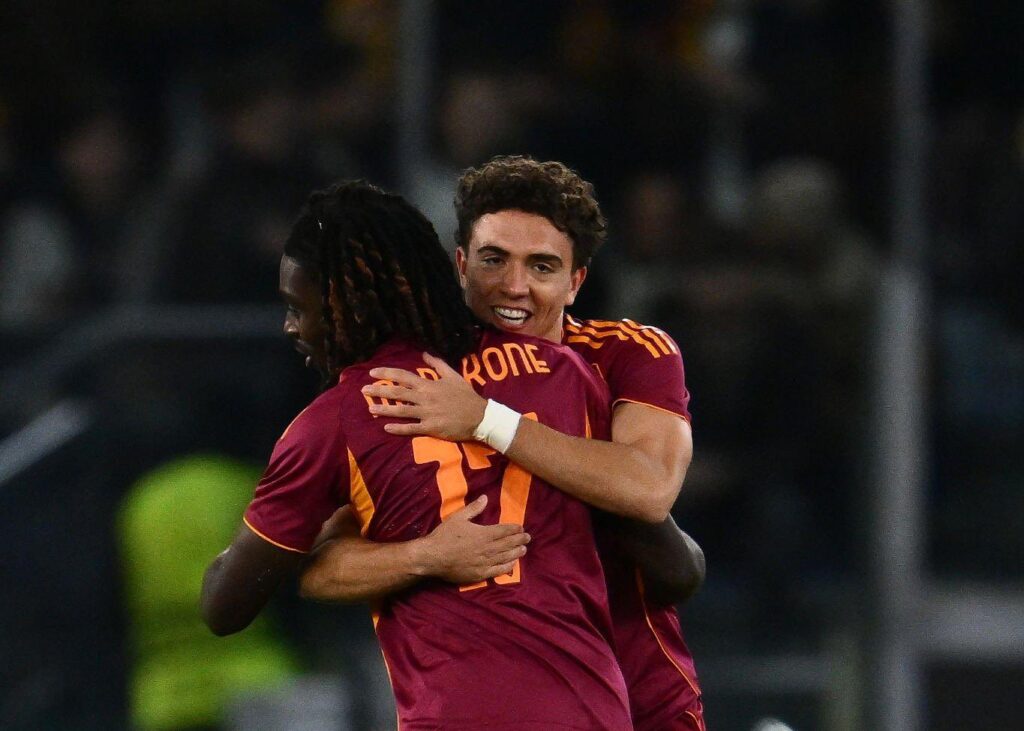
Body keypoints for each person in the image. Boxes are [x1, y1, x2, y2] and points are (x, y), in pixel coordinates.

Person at [200, 180, 635, 730]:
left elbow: (224, 605)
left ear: (345, 303)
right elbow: (655, 547)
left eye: (297, 307)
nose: (291, 327)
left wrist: (408, 553)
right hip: (595, 711)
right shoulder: (562, 371)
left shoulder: (335, 422)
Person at [302, 156, 706, 730]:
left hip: (644, 688)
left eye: (541, 266)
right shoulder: (414, 381)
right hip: (492, 705)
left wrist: (484, 419)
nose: (514, 286)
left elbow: (649, 488)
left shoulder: (626, 352)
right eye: (494, 260)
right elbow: (319, 565)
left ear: (576, 282)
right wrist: (425, 556)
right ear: (461, 265)